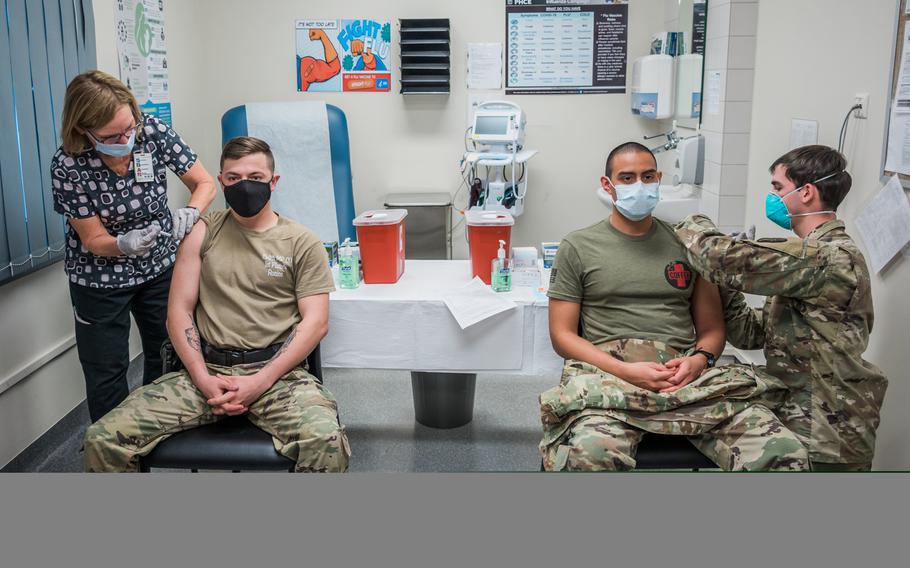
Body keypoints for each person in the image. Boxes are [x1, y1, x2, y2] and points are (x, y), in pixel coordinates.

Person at [82, 136, 350, 473]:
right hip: (205, 372)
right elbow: (178, 312)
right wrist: (201, 376)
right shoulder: (202, 232)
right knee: (103, 438)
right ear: (221, 181)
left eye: (255, 178)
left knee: (325, 440)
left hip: (277, 376)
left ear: (274, 181)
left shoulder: (301, 242)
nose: (245, 186)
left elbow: (316, 323)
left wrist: (260, 381)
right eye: (234, 178)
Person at [540, 142, 809, 472]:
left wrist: (698, 361)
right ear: (607, 186)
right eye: (626, 178)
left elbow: (711, 331)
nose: (639, 185)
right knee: (591, 455)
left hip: (684, 380)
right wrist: (626, 371)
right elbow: (561, 336)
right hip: (609, 378)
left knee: (784, 452)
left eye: (647, 176)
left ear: (659, 180)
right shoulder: (578, 247)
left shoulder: (689, 247)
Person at [674, 145, 887, 471]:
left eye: (778, 188)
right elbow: (750, 333)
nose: (771, 197)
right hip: (798, 413)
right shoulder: (811, 258)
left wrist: (693, 219)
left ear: (807, 193)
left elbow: (716, 257)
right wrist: (724, 286)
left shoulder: (828, 257)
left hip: (827, 430)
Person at [51, 70, 216, 422]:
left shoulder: (151, 131)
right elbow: (93, 239)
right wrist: (122, 244)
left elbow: (203, 181)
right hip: (98, 279)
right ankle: (116, 453)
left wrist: (191, 210)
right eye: (113, 135)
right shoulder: (67, 165)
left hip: (159, 268)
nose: (127, 138)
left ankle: (160, 432)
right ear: (84, 130)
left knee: (167, 354)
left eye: (130, 127)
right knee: (106, 370)